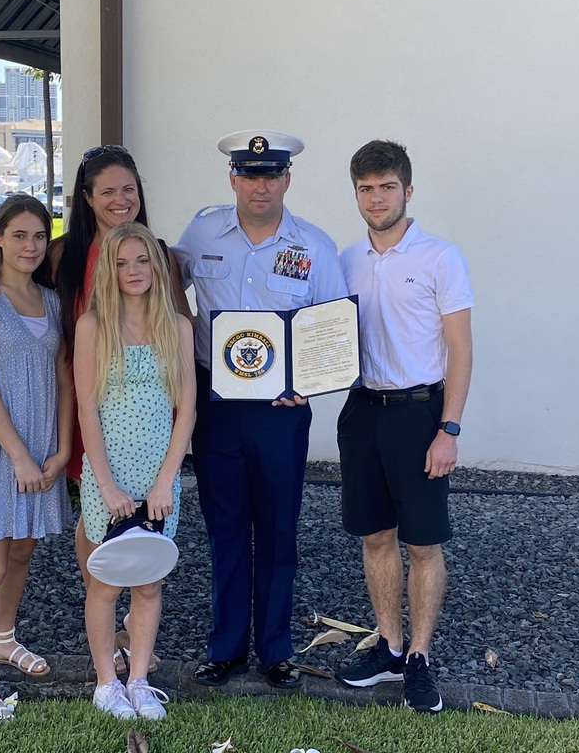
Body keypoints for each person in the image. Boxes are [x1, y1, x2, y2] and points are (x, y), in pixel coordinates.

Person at [0, 146, 190, 673]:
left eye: (129, 188)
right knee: (93, 511)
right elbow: (14, 274)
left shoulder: (155, 253)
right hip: (71, 402)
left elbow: (180, 327)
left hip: (138, 413)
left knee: (123, 512)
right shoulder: (62, 253)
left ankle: (125, 631)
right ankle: (101, 606)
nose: (120, 199)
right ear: (87, 198)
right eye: (107, 190)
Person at [174, 130, 349, 689]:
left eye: (272, 174)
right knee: (225, 527)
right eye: (249, 174)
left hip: (281, 411)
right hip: (216, 406)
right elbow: (155, 278)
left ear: (288, 180)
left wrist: (309, 383)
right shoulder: (203, 231)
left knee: (277, 531)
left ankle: (275, 649)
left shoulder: (314, 247)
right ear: (232, 179)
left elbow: (334, 332)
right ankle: (224, 646)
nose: (261, 184)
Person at [334, 140, 474, 713]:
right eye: (365, 189)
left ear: (407, 190)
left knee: (422, 541)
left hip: (421, 413)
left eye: (386, 186)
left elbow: (461, 350)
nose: (376, 198)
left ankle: (418, 655)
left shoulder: (441, 257)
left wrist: (450, 428)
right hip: (362, 410)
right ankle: (388, 644)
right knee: (375, 535)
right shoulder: (344, 260)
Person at [0, 195, 74, 719]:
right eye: (19, 235)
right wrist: (20, 456)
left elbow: (65, 379)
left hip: (42, 445)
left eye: (39, 236)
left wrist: (62, 448)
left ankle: (4, 638)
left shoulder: (51, 301)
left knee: (22, 551)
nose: (30, 245)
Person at [74, 222, 196, 719]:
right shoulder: (93, 326)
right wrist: (104, 482)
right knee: (105, 582)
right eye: (121, 263)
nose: (133, 271)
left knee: (148, 581)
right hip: (109, 474)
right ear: (110, 269)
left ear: (155, 265)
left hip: (159, 476)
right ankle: (107, 682)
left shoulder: (178, 327)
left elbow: (186, 409)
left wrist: (168, 477)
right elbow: (86, 408)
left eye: (141, 261)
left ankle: (140, 679)